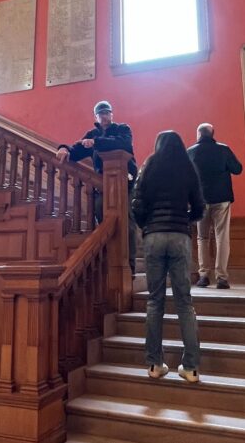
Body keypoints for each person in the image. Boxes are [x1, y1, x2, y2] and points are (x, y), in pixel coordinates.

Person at [132, 131, 204, 383]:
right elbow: (199, 207)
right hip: (180, 237)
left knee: (154, 301)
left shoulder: (149, 165)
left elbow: (136, 203)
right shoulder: (187, 167)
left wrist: (147, 225)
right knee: (184, 302)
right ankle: (191, 367)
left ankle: (154, 364)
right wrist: (184, 220)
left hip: (153, 236)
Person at [57, 101, 139, 274]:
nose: (104, 116)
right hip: (102, 187)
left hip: (125, 184)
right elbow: (75, 150)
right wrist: (64, 149)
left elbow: (124, 145)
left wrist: (95, 142)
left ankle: (129, 266)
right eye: (100, 113)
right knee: (103, 220)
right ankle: (111, 261)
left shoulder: (123, 129)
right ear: (96, 117)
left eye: (107, 112)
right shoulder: (92, 134)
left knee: (127, 222)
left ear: (112, 114)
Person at [187, 123, 243, 289]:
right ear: (212, 134)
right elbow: (238, 169)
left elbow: (186, 177)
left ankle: (203, 275)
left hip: (201, 200)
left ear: (198, 134)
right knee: (222, 237)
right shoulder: (223, 149)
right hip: (222, 198)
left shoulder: (190, 152)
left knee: (202, 238)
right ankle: (221, 277)